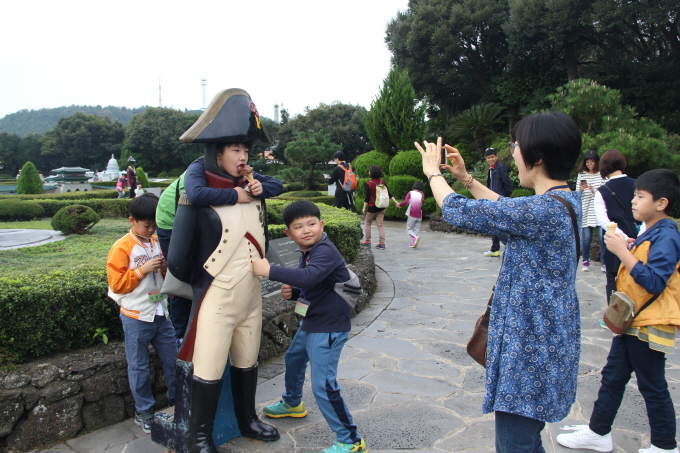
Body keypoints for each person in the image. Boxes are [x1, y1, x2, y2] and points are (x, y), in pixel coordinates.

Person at [416, 111, 582, 452]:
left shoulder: (542, 211)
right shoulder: (564, 201)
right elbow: (508, 208)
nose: (511, 152)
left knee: (515, 444)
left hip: (530, 348)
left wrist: (432, 173)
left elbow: (455, 210)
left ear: (536, 158)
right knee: (523, 440)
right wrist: (466, 178)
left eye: (515, 145)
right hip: (545, 337)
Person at [165, 88, 283, 452]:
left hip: (250, 295)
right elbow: (179, 256)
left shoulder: (252, 184)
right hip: (216, 294)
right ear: (217, 152)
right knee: (209, 366)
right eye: (236, 150)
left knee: (247, 360)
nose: (243, 156)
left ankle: (247, 418)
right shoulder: (198, 189)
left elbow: (276, 189)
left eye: (246, 150)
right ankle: (199, 435)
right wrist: (201, 283)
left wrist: (257, 187)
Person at [556, 169, 680, 453]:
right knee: (613, 376)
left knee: (652, 385)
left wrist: (623, 253)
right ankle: (598, 432)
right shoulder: (653, 231)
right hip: (634, 322)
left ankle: (664, 445)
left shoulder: (668, 235)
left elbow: (654, 281)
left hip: (648, 323)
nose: (633, 201)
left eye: (640, 196)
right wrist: (630, 247)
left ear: (661, 203)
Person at [252, 200, 368, 453]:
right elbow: (314, 285)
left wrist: (269, 270)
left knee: (323, 385)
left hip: (328, 326)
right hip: (313, 320)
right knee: (294, 359)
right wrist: (294, 293)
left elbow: (311, 277)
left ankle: (351, 442)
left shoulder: (324, 250)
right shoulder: (308, 252)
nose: (306, 230)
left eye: (312, 224)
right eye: (298, 226)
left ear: (321, 225)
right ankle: (293, 403)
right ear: (288, 234)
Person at [106, 193, 176, 434]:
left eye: (154, 224)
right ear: (132, 221)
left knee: (173, 359)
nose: (151, 229)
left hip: (160, 312)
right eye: (147, 225)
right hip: (135, 315)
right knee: (138, 366)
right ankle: (144, 412)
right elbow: (116, 285)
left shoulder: (156, 241)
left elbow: (167, 279)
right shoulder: (121, 247)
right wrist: (141, 270)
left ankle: (176, 402)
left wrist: (165, 270)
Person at [595, 149, 640, 303]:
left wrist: (623, 238)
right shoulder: (638, 185)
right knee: (637, 276)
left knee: (613, 279)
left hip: (614, 241)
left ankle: (615, 320)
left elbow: (603, 220)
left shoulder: (602, 191)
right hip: (639, 240)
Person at [155, 172, 192, 347]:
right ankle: (180, 335)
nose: (242, 156)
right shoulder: (198, 173)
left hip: (189, 222)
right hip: (171, 223)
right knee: (179, 276)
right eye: (236, 150)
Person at [576, 150, 605, 272]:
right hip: (586, 209)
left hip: (598, 209)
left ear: (596, 162)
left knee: (601, 237)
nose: (590, 164)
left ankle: (604, 262)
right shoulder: (582, 175)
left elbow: (605, 192)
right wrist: (581, 190)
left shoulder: (602, 174)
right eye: (587, 162)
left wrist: (595, 191)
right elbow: (577, 193)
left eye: (592, 161)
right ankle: (585, 261)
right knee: (586, 238)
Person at [483, 147, 513, 257]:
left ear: (496, 156)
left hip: (499, 201)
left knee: (496, 226)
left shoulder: (500, 168)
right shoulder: (491, 169)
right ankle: (495, 249)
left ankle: (509, 245)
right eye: (488, 157)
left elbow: (507, 184)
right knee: (493, 225)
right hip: (492, 200)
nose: (490, 159)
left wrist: (504, 199)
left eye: (492, 157)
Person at [361, 165, 398, 250]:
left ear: (371, 173)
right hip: (382, 207)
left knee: (367, 223)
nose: (368, 172)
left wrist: (364, 208)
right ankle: (382, 243)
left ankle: (367, 241)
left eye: (369, 171)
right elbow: (389, 194)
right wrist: (396, 202)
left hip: (372, 207)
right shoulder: (383, 182)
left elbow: (367, 198)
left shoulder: (369, 184)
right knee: (380, 225)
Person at [397, 180, 426, 248]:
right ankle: (414, 242)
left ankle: (415, 238)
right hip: (419, 215)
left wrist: (400, 205)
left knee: (408, 229)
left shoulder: (410, 193)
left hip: (412, 214)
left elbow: (406, 202)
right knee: (416, 229)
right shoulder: (422, 194)